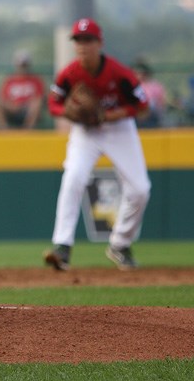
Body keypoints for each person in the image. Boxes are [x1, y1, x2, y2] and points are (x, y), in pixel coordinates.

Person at [43, 18, 151, 272]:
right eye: (78, 40)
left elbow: (143, 106)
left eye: (88, 40)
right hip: (86, 131)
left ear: (99, 43)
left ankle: (120, 244)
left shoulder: (119, 72)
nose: (82, 45)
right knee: (73, 178)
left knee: (140, 189)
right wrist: (68, 113)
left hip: (118, 129)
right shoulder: (69, 73)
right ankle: (63, 246)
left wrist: (110, 115)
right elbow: (53, 104)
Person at [0, 50, 45, 130]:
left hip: (28, 110)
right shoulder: (9, 80)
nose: (23, 68)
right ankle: (4, 133)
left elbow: (40, 98)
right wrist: (13, 105)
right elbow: (3, 98)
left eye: (24, 65)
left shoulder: (36, 80)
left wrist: (24, 105)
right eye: (21, 65)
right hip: (12, 109)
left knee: (36, 104)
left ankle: (27, 132)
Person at [132, 59, 167, 128]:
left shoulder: (155, 86)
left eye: (141, 73)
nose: (138, 75)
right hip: (136, 114)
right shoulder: (132, 86)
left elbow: (161, 103)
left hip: (152, 116)